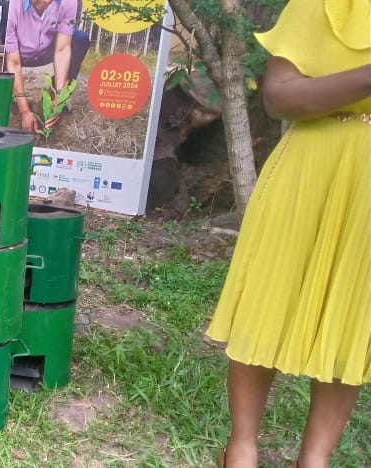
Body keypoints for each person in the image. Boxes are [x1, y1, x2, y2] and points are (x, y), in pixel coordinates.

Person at [205, 0, 370, 466]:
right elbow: (278, 97)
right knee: (268, 298)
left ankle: (314, 458)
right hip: (308, 169)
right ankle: (241, 446)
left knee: (349, 314)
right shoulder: (322, 5)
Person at [4, 0, 90, 132]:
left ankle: (56, 100)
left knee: (80, 39)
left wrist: (60, 94)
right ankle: (8, 99)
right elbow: (13, 63)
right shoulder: (12, 5)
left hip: (46, 50)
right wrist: (24, 111)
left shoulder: (68, 2)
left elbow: (62, 49)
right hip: (15, 53)